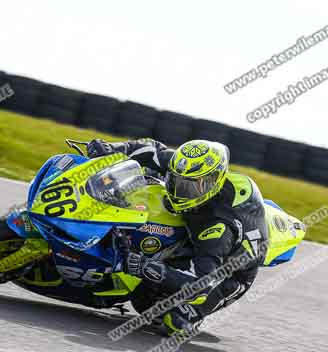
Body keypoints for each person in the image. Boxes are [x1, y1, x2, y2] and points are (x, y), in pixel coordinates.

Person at [86, 138, 269, 336]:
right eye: (175, 181)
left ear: (212, 183)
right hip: (200, 234)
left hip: (229, 273)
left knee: (173, 322)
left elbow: (203, 283)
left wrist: (143, 267)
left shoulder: (217, 229)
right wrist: (113, 148)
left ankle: (191, 315)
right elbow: (153, 150)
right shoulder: (190, 169)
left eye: (188, 187)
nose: (178, 191)